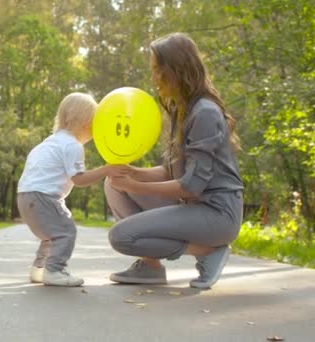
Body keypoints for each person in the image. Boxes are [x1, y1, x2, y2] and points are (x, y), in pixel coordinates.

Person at [104, 32, 244, 289]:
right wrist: (134, 173)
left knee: (121, 237)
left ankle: (208, 251)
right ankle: (150, 267)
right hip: (193, 205)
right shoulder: (183, 109)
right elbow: (174, 171)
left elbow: (190, 185)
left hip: (218, 214)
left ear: (176, 70)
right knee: (112, 184)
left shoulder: (205, 113)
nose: (153, 78)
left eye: (158, 70)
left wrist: (135, 186)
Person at [17, 92, 127, 287]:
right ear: (86, 123)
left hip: (25, 196)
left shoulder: (49, 142)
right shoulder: (72, 145)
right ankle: (55, 270)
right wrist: (106, 169)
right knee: (65, 232)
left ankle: (39, 269)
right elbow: (79, 180)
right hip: (43, 196)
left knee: (51, 234)